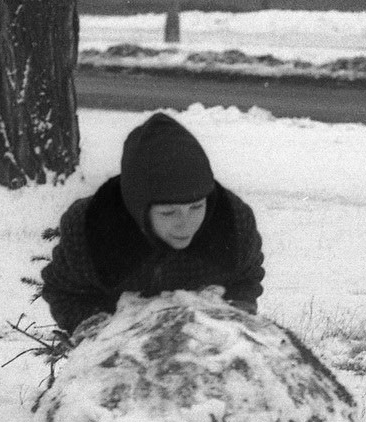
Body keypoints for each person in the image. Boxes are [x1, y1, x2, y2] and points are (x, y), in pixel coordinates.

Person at [40, 112, 265, 339]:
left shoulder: (232, 222)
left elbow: (246, 278)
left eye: (196, 207)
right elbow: (66, 291)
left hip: (205, 347)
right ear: (140, 209)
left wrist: (231, 318)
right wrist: (101, 333)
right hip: (122, 349)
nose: (185, 225)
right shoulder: (92, 227)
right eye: (168, 212)